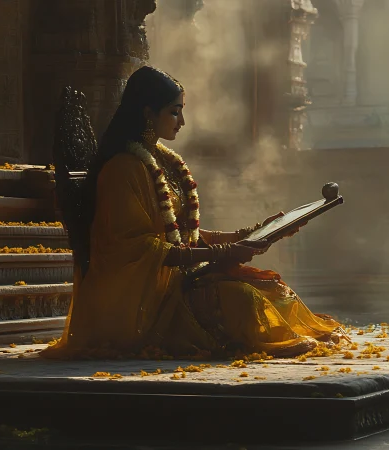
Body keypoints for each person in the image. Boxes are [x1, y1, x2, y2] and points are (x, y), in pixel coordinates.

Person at [41, 66, 345, 359]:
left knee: (272, 289)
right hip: (140, 303)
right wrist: (222, 253)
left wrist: (251, 234)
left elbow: (186, 234)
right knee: (244, 299)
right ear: (148, 113)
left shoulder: (161, 160)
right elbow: (138, 249)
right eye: (175, 111)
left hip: (178, 283)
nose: (182, 121)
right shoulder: (123, 169)